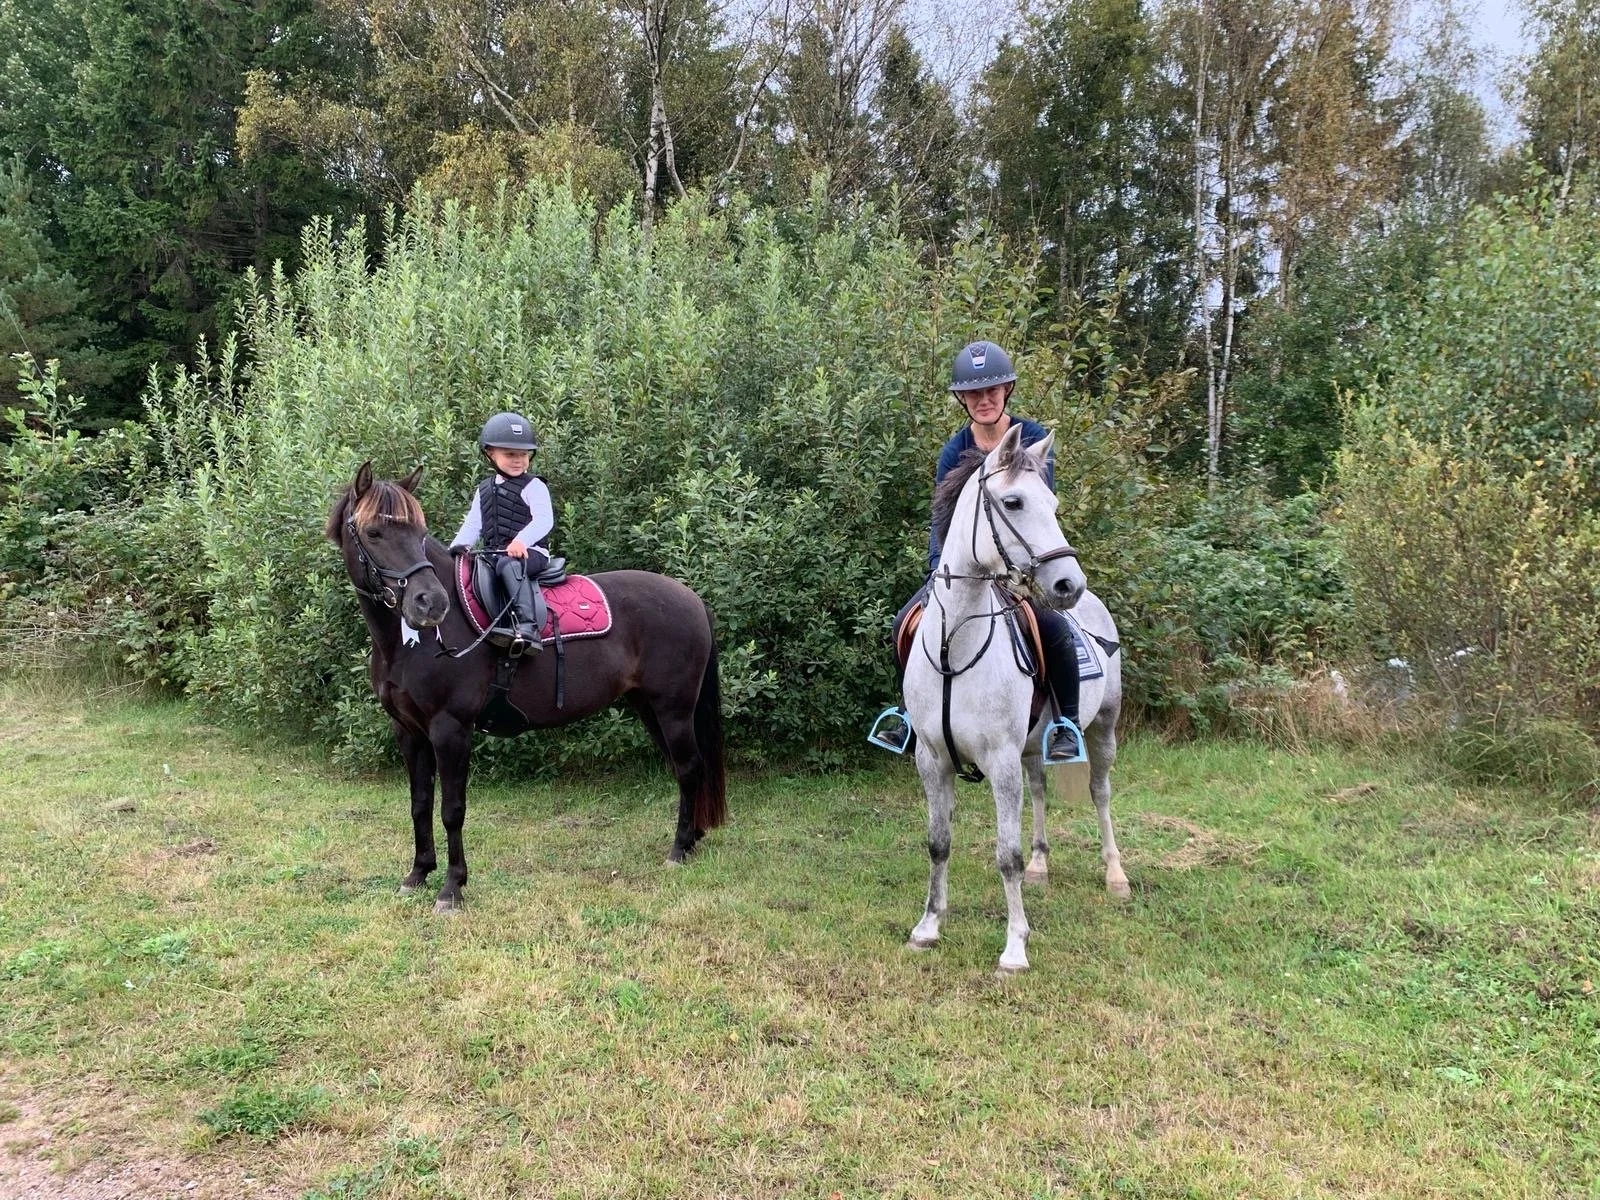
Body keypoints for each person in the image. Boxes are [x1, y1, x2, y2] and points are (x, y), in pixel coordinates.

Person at [870, 341, 1083, 763]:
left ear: (1006, 391)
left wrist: (1019, 573)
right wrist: (937, 570)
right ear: (962, 399)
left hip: (1020, 564)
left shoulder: (1032, 438)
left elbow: (1037, 513)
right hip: (966, 565)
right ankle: (909, 715)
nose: (984, 400)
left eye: (992, 391)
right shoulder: (955, 450)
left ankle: (1066, 725)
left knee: (1056, 630)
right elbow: (943, 520)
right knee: (903, 624)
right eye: (973, 394)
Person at [450, 411, 554, 655]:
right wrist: (456, 548)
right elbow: (473, 524)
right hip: (494, 555)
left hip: (530, 553)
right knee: (472, 570)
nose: (518, 460)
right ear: (490, 453)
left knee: (509, 564)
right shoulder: (484, 489)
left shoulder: (534, 486)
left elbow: (544, 520)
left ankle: (527, 627)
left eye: (523, 454)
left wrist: (521, 541)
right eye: (510, 454)